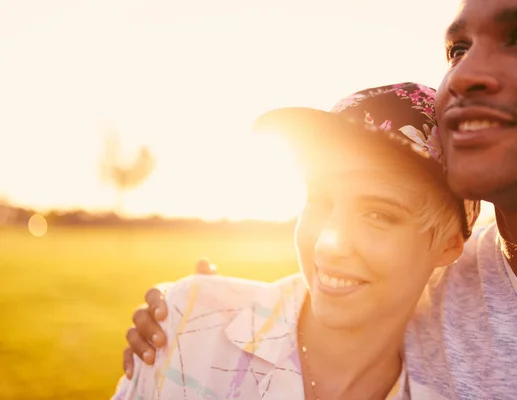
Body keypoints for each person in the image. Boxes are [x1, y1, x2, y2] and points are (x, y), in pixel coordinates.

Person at [123, 0, 517, 397]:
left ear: (448, 245)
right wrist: (202, 314)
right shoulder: (189, 323)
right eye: (457, 49)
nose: (466, 73)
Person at [111, 82, 480, 400]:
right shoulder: (190, 323)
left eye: (378, 215)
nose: (328, 244)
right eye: (320, 200)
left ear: (447, 245)